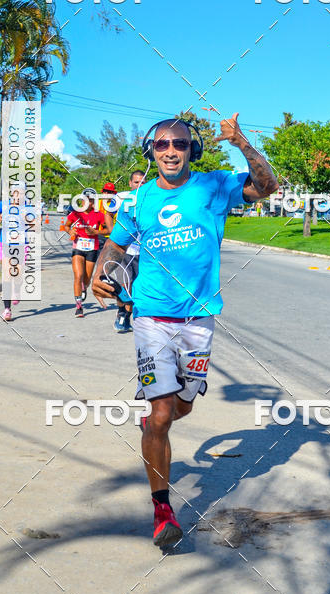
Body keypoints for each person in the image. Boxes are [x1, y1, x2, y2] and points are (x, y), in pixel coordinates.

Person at [91, 114, 277, 546]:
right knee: (159, 416)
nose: (170, 150)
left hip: (199, 320)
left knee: (182, 408)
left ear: (191, 149)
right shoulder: (138, 201)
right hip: (150, 315)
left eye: (178, 144)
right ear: (150, 152)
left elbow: (267, 186)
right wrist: (103, 271)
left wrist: (243, 141)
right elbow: (117, 244)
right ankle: (162, 510)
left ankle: (157, 426)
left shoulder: (214, 186)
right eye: (161, 145)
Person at [63, 187, 109, 317]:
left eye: (91, 200)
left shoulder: (99, 215)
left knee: (86, 279)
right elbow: (66, 225)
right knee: (78, 275)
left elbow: (108, 230)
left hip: (92, 249)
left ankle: (84, 287)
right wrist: (70, 231)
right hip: (78, 247)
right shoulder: (75, 213)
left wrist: (96, 232)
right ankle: (79, 306)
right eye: (86, 200)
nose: (88, 203)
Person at [113, 169, 146, 333]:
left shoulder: (150, 198)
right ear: (130, 183)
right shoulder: (121, 197)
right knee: (124, 284)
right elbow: (108, 212)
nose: (140, 185)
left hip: (144, 252)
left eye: (143, 183)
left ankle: (129, 316)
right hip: (124, 250)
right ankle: (121, 313)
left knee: (137, 287)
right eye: (136, 182)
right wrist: (113, 231)